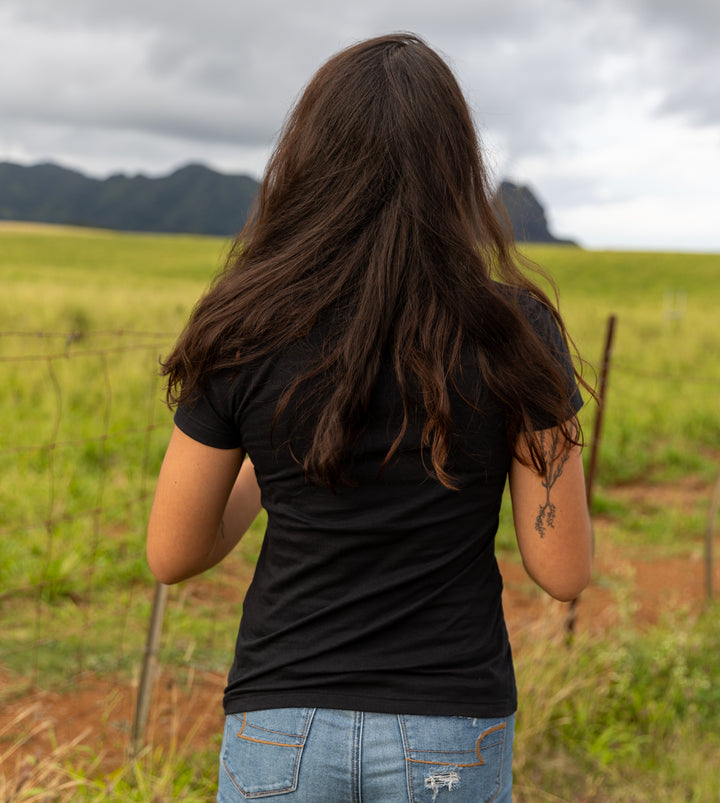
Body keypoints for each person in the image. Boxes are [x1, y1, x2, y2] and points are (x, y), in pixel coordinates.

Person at [147, 32, 593, 803]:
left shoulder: (244, 322)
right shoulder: (514, 329)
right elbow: (562, 571)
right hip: (450, 727)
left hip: (279, 723)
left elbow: (172, 553)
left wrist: (269, 454)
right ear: (459, 170)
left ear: (311, 159)